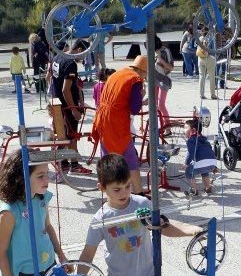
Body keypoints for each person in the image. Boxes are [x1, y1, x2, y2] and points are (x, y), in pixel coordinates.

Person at [92, 55, 148, 194]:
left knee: (106, 157)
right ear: (142, 71)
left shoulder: (117, 73)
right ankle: (139, 192)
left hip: (102, 118)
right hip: (115, 122)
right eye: (146, 74)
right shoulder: (135, 79)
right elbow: (135, 108)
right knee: (129, 157)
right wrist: (142, 95)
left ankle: (107, 190)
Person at [51, 39, 91, 175]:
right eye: (85, 54)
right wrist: (74, 109)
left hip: (58, 104)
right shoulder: (71, 64)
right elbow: (65, 89)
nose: (85, 58)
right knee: (72, 135)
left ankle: (63, 162)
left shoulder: (57, 56)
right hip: (67, 105)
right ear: (79, 50)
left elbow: (52, 79)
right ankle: (74, 165)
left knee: (63, 134)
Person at [183, 118, 217, 195]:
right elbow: (210, 151)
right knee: (204, 171)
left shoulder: (191, 140)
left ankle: (194, 190)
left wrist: (186, 164)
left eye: (185, 128)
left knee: (188, 172)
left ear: (193, 130)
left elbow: (191, 153)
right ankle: (208, 187)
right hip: (212, 163)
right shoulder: (204, 139)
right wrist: (214, 167)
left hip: (202, 163)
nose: (183, 130)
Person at [153, 36, 174, 129]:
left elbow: (170, 68)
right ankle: (156, 126)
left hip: (164, 79)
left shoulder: (166, 51)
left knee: (161, 104)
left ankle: (167, 127)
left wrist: (160, 58)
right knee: (154, 104)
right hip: (155, 78)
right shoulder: (153, 51)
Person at [197, 27, 217, 99]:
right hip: (208, 58)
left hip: (200, 58)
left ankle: (201, 94)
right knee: (212, 76)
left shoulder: (199, 38)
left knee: (201, 76)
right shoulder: (211, 38)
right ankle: (212, 94)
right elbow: (213, 50)